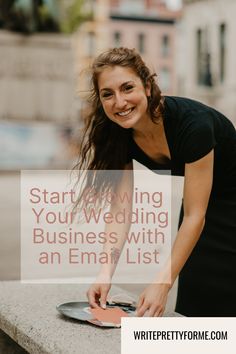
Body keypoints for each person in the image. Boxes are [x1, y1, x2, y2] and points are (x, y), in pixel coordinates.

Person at [76, 47, 236, 317]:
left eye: (128, 88)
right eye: (108, 94)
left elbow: (196, 215)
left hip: (219, 207)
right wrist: (105, 273)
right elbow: (120, 209)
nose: (120, 102)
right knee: (195, 308)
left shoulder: (193, 125)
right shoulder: (118, 133)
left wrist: (161, 284)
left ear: (148, 86)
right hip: (200, 208)